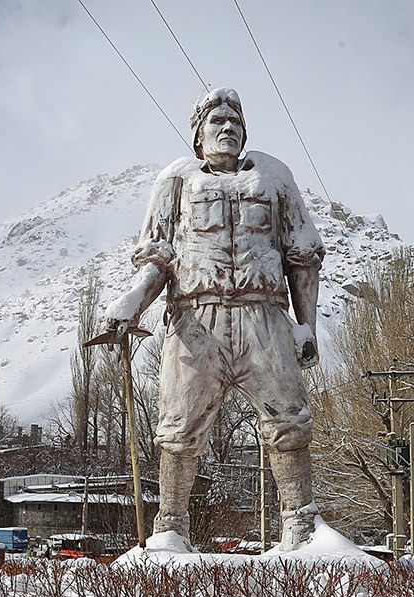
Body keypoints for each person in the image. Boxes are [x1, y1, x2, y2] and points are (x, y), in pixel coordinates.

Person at [102, 88, 325, 551]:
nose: (228, 128)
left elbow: (302, 256)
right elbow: (158, 257)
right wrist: (133, 302)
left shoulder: (274, 176)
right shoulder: (176, 181)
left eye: (236, 123)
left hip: (265, 315)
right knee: (179, 429)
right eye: (217, 121)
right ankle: (171, 530)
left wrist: (307, 327)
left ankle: (301, 530)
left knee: (289, 420)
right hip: (195, 321)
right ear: (198, 135)